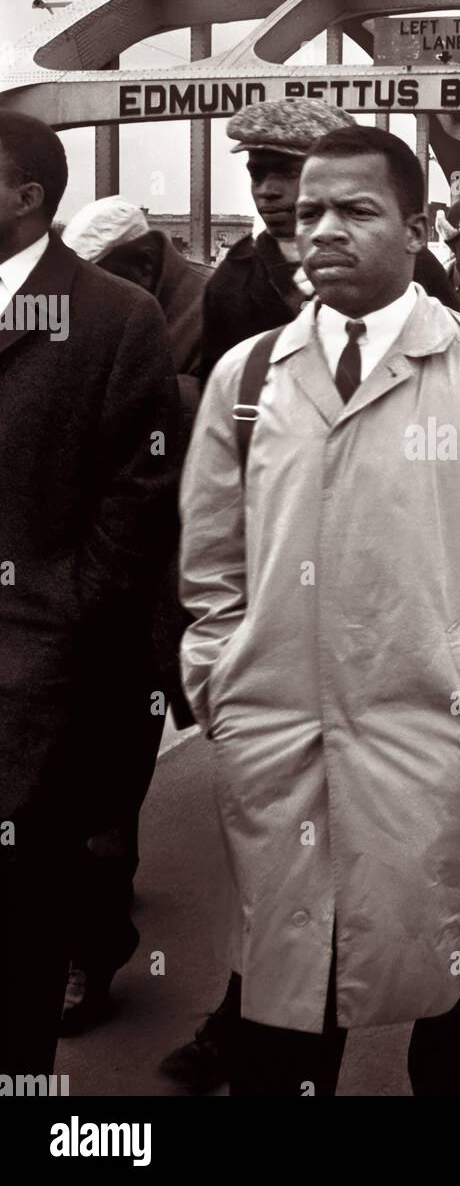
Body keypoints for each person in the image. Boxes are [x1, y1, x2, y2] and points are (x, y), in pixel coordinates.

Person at [179, 126, 460, 1096]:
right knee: (288, 988)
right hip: (282, 736)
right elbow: (211, 554)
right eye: (310, 210)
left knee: (452, 967)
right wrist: (221, 676)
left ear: (415, 225)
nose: (321, 229)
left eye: (355, 210)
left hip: (438, 724)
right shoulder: (248, 377)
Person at [0, 112, 180, 1078]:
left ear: (26, 197)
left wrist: (65, 615)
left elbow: (138, 493)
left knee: (21, 912)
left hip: (38, 674)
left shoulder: (113, 315)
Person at [54, 196, 204, 1034]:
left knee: (100, 796)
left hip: (145, 596)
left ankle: (91, 953)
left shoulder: (210, 316)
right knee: (83, 790)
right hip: (78, 594)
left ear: (142, 265)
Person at [201, 102, 460, 384]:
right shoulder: (233, 278)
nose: (267, 190)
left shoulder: (407, 262)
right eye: (257, 174)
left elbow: (456, 364)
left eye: (289, 173)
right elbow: (219, 387)